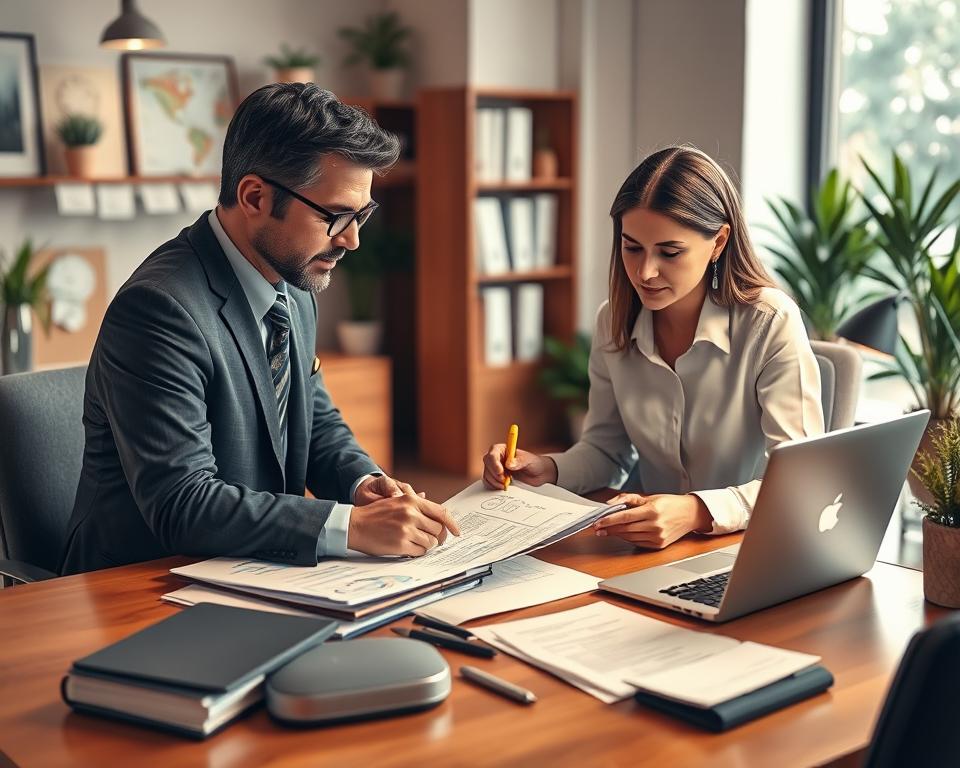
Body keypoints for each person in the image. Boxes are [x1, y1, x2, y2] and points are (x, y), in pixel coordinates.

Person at [60, 84, 458, 575]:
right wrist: (350, 527)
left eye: (362, 215)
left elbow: (314, 420)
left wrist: (363, 485)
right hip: (141, 581)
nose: (352, 240)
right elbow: (183, 503)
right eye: (337, 216)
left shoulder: (294, 283)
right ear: (255, 197)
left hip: (252, 567)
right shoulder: (158, 310)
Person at [482, 146, 823, 549]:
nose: (645, 272)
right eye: (632, 248)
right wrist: (547, 468)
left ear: (718, 242)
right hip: (654, 550)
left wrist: (696, 511)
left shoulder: (769, 321)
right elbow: (607, 451)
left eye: (669, 252)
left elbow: (800, 481)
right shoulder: (614, 321)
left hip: (752, 546)